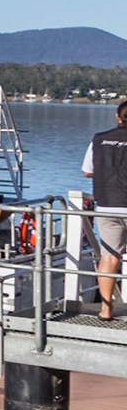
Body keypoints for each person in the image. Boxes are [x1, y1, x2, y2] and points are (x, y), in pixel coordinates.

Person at [81, 99, 127, 319]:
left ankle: (105, 309)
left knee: (109, 257)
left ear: (118, 117)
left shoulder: (99, 140)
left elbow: (87, 171)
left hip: (107, 205)